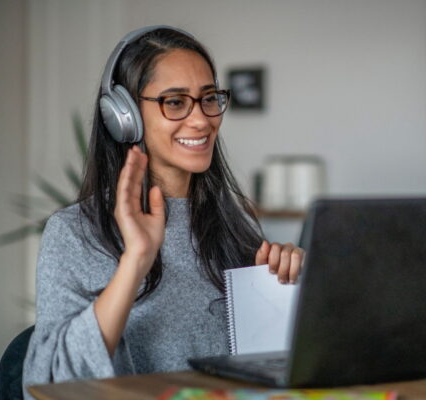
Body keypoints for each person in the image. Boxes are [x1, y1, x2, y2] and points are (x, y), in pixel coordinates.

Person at [22, 25, 304, 397]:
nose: (202, 119)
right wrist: (136, 261)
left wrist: (288, 287)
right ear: (123, 116)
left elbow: (264, 367)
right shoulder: (74, 233)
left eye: (209, 98)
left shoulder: (235, 226)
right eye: (175, 102)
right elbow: (48, 384)